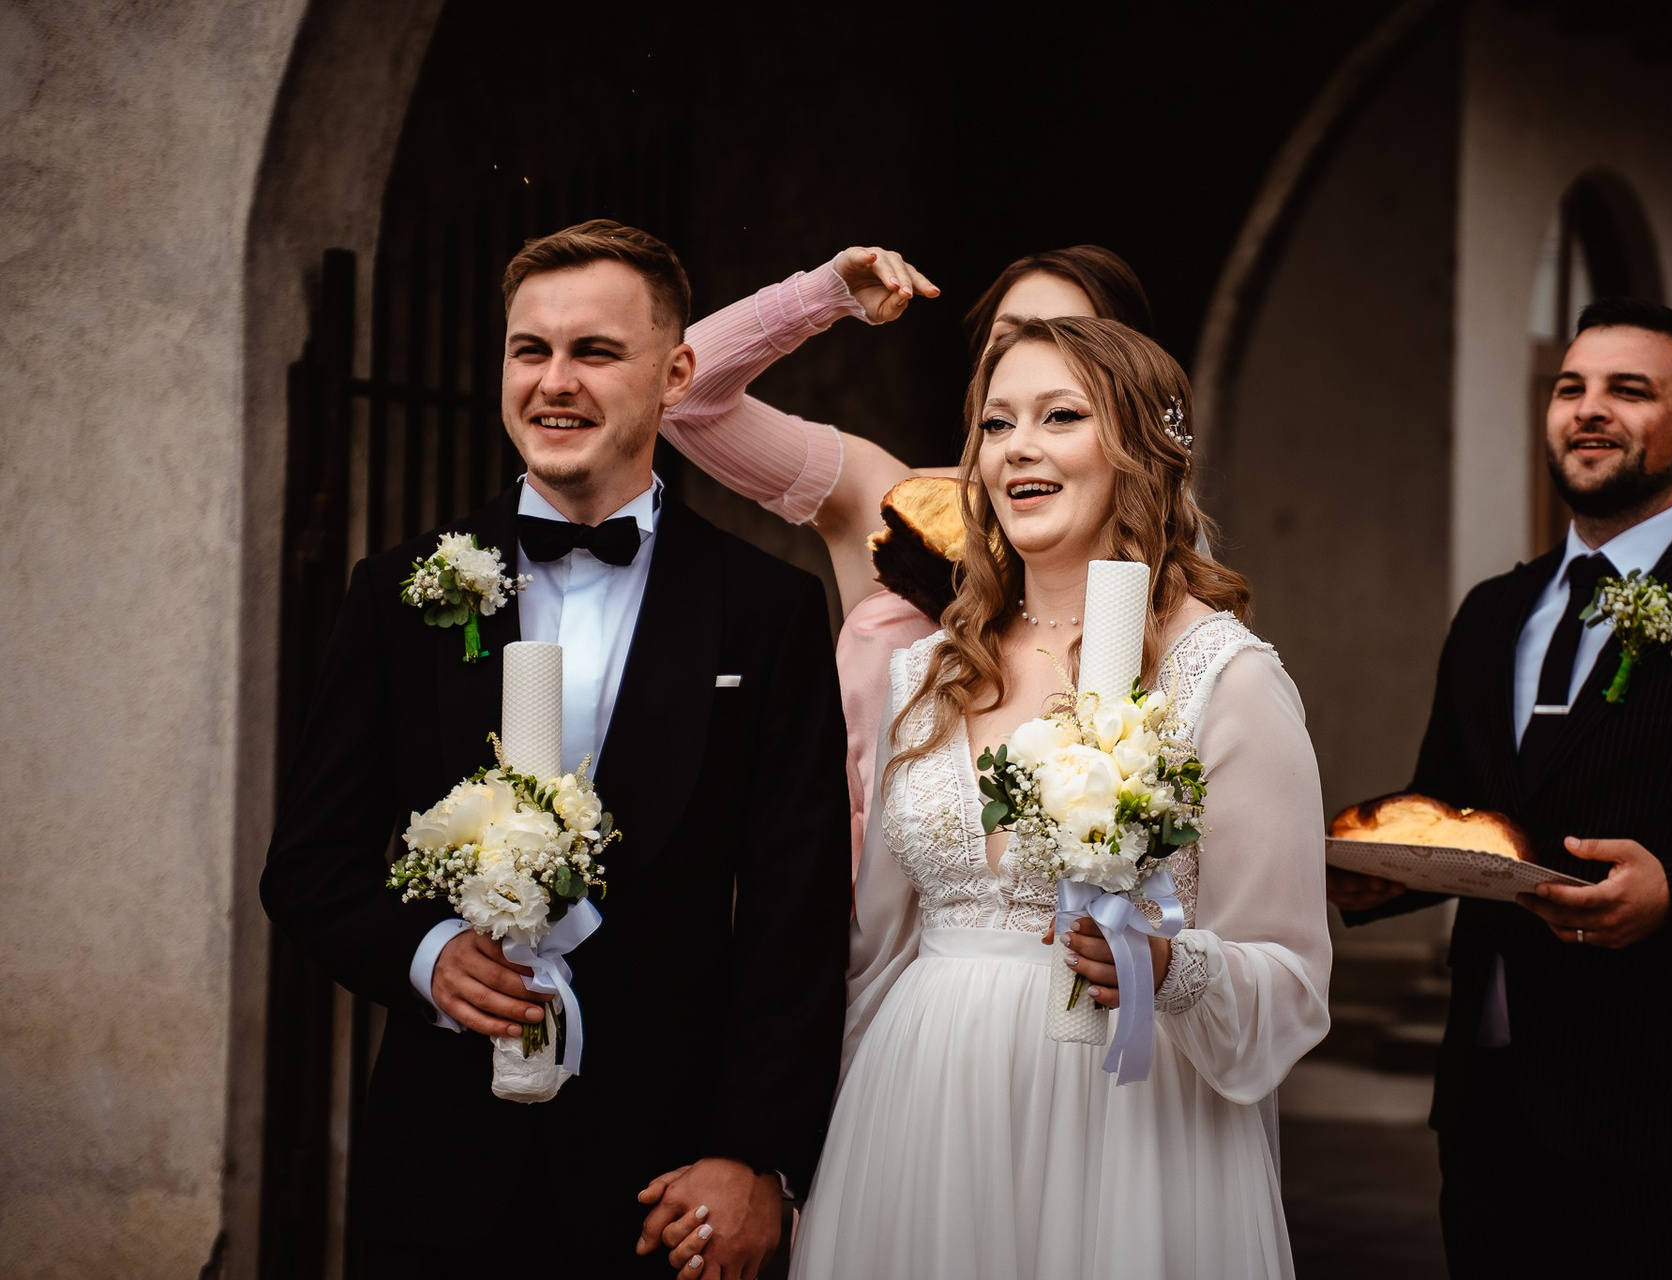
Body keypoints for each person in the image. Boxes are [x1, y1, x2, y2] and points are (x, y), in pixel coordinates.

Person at [259, 220, 850, 1278]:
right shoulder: (399, 593)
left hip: (666, 1190)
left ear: (677, 375)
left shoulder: (767, 612)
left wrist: (755, 1155)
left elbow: (795, 914)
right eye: (529, 350)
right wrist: (427, 954)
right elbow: (308, 865)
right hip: (438, 1179)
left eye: (596, 351)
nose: (554, 382)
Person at [1329, 297, 1672, 1278]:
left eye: (1628, 390)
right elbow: (1455, 809)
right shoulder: (1493, 611)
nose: (1588, 408)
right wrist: (1368, 872)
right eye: (1569, 387)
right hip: (1490, 1101)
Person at [787, 316, 1332, 1278]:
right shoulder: (929, 673)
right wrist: (811, 1150)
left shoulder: (1227, 679)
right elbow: (874, 956)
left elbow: (1289, 980)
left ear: (1140, 449)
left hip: (1124, 1127)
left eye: (1060, 416)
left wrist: (1169, 969)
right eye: (996, 424)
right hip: (920, 1121)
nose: (1017, 448)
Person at [658, 245, 1155, 869]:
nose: (1032, 357)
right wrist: (820, 297)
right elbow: (681, 397)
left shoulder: (1159, 564)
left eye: (1068, 339)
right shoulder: (896, 500)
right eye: (1009, 339)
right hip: (858, 897)